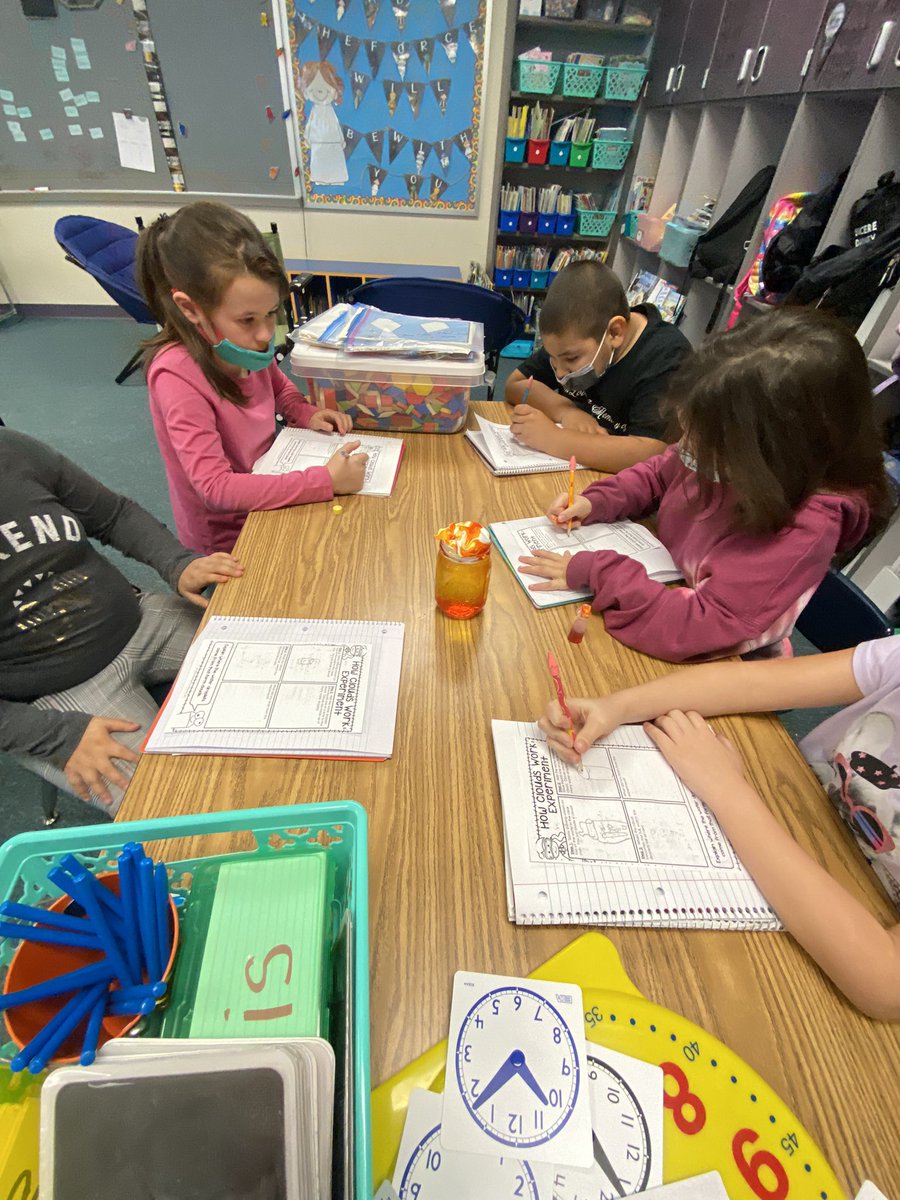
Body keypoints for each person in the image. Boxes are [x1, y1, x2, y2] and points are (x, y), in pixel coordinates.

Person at [539, 641, 900, 1020]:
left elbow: (884, 984)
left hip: (846, 920)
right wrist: (618, 707)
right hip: (804, 814)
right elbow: (748, 683)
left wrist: (725, 787)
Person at [519, 308, 892, 662]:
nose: (688, 447)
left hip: (725, 660)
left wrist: (596, 570)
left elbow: (692, 628)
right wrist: (596, 501)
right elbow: (660, 472)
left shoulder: (805, 528)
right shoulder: (728, 446)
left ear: (773, 453)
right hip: (664, 588)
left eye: (706, 441)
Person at [0, 428, 242, 814]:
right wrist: (55, 737)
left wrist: (176, 563)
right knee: (184, 815)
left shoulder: (11, 449)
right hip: (58, 695)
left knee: (296, 662)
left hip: (139, 618)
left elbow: (113, 515)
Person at [137, 201, 367, 556]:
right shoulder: (176, 376)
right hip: (228, 540)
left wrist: (304, 413)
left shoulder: (242, 346)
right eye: (247, 320)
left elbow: (277, 387)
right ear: (190, 309)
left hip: (270, 495)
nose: (264, 335)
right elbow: (216, 489)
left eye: (271, 314)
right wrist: (325, 481)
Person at [504, 259, 691, 471]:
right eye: (553, 359)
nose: (561, 373)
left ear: (615, 333)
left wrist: (553, 439)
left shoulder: (667, 356)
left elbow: (651, 452)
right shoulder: (570, 339)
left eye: (571, 360)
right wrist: (567, 412)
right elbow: (515, 384)